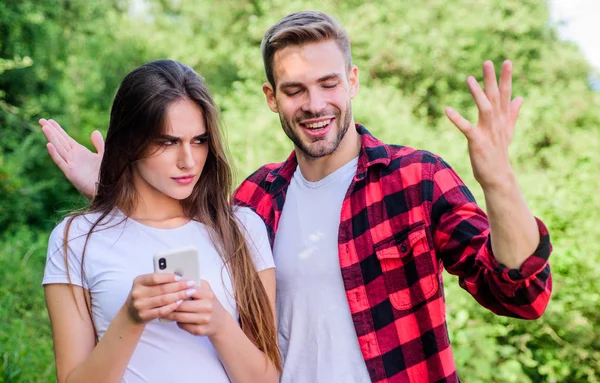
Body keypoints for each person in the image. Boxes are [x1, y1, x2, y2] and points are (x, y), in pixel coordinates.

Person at [40, 11, 553, 383]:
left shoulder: (415, 180)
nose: (314, 104)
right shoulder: (255, 201)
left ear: (351, 82)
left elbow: (521, 295)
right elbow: (168, 216)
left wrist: (499, 181)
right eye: (294, 89)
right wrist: (115, 186)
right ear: (271, 98)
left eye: (328, 83)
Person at [41, 59, 281, 383]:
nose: (188, 161)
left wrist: (220, 325)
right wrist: (130, 317)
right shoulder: (75, 238)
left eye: (199, 140)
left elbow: (268, 378)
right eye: (167, 142)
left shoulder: (241, 229)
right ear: (128, 142)